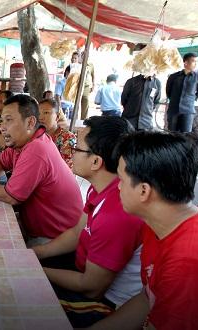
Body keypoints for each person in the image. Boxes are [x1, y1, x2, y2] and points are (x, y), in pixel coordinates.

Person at [90, 131, 198, 330]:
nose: (117, 188)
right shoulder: (162, 223)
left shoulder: (189, 261)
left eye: (121, 180)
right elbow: (149, 297)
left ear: (144, 191)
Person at [33, 116, 142, 328]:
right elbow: (76, 233)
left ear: (96, 162)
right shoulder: (101, 186)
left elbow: (92, 287)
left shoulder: (117, 212)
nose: (71, 152)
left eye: (76, 147)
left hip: (106, 304)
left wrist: (35, 270)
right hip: (82, 269)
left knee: (23, 293)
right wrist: (36, 254)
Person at [0, 95, 82, 244]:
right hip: (36, 229)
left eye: (9, 120)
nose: (2, 127)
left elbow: (10, 197)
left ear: (30, 122)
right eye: (2, 120)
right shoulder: (23, 142)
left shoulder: (37, 149)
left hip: (55, 239)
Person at [165, 52, 198, 133]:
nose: (196, 64)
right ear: (185, 62)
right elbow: (168, 92)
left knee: (186, 135)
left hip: (188, 111)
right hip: (173, 110)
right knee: (172, 134)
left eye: (197, 62)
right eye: (193, 61)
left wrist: (189, 100)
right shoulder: (173, 77)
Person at [38, 99, 76, 168]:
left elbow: (66, 167)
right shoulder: (35, 136)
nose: (40, 118)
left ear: (57, 117)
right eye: (38, 113)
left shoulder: (67, 138)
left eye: (46, 113)